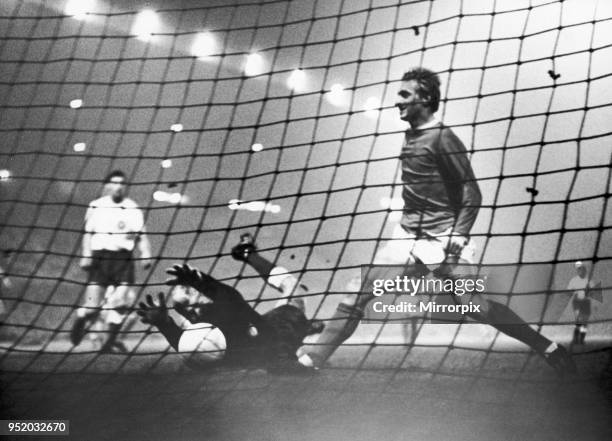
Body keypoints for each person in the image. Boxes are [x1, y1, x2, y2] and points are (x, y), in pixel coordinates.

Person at [298, 67, 576, 376]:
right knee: (356, 295)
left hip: (443, 240)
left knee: (478, 308)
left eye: (405, 94)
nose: (397, 101)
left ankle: (546, 347)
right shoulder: (410, 133)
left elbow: (473, 192)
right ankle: (312, 360)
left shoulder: (443, 138)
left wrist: (458, 235)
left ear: (426, 98)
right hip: (405, 237)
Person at [137, 233, 323, 370]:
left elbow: (184, 344)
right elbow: (232, 299)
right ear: (194, 309)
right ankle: (248, 253)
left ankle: (305, 330)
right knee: (292, 287)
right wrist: (200, 281)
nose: (186, 289)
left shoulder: (199, 336)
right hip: (276, 334)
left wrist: (164, 323)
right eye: (187, 292)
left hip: (257, 342)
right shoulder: (223, 317)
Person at [71, 170, 152, 353]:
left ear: (126, 187)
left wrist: (146, 253)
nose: (119, 186)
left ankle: (108, 344)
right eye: (115, 183)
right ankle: (83, 315)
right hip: (100, 260)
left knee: (120, 304)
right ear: (107, 186)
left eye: (122, 183)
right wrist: (86, 254)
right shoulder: (96, 206)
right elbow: (87, 234)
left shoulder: (132, 208)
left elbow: (142, 236)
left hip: (123, 260)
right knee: (92, 304)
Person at [568, 261, 599, 346]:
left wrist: (595, 305)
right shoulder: (574, 280)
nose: (581, 272)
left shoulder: (589, 281)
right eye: (579, 270)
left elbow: (594, 293)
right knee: (578, 319)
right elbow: (569, 291)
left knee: (584, 322)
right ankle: (575, 339)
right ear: (577, 271)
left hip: (586, 303)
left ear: (585, 271)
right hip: (577, 302)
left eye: (582, 270)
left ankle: (581, 340)